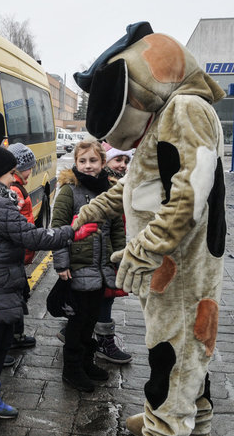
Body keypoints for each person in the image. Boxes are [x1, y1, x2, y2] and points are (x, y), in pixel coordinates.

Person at [72, 22, 226, 436]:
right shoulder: (166, 117)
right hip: (169, 264)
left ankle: (169, 425)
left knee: (174, 348)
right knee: (184, 345)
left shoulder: (186, 109)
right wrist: (95, 210)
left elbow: (192, 192)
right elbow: (137, 182)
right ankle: (185, 415)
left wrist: (145, 249)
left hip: (180, 264)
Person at [0, 134, 86, 432]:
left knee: (0, 343)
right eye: (11, 172)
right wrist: (71, 231)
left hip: (2, 278)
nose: (15, 177)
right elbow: (31, 236)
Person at [51, 139, 126, 393]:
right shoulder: (69, 191)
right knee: (78, 321)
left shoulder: (110, 190)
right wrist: (61, 264)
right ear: (75, 163)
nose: (87, 166)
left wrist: (118, 260)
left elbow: (117, 229)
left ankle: (86, 362)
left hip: (102, 268)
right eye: (82, 161)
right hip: (77, 268)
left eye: (93, 161)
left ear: (103, 163)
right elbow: (58, 229)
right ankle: (72, 370)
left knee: (92, 319)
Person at [92, 141, 133, 365]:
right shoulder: (105, 186)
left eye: (126, 161)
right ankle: (104, 342)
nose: (123, 164)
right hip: (102, 251)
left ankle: (76, 330)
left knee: (102, 295)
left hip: (112, 249)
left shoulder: (120, 185)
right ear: (106, 160)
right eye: (118, 159)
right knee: (105, 296)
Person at [5, 142, 38, 355]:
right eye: (28, 167)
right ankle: (7, 345)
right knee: (14, 298)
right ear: (16, 168)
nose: (30, 172)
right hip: (16, 252)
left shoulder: (18, 185)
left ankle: (17, 337)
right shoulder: (14, 189)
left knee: (19, 296)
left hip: (21, 252)